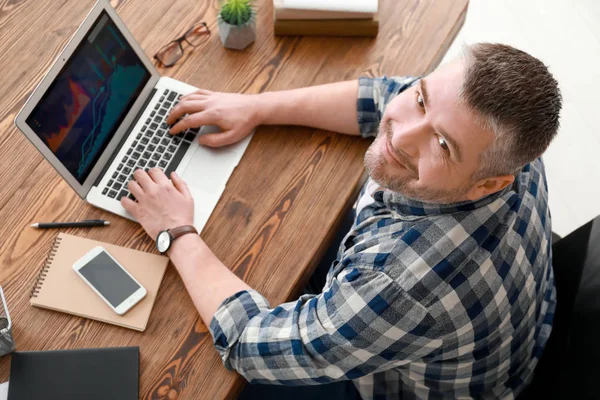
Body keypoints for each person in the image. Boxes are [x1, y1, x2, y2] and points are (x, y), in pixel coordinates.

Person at [120, 43, 561, 399]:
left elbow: (251, 344)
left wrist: (174, 230)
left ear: (487, 184)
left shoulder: (397, 285)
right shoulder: (505, 139)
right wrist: (253, 107)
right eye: (422, 100)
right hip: (499, 338)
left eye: (442, 144)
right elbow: (380, 97)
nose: (400, 136)